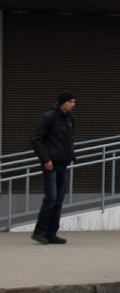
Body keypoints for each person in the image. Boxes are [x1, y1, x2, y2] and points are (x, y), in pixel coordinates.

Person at [29, 91, 77, 245]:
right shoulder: (49, 117)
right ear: (63, 102)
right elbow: (35, 139)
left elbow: (69, 140)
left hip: (64, 164)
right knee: (51, 198)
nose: (73, 105)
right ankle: (40, 232)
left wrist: (72, 155)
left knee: (59, 201)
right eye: (70, 102)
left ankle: (51, 233)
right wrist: (45, 159)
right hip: (51, 165)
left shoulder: (70, 119)